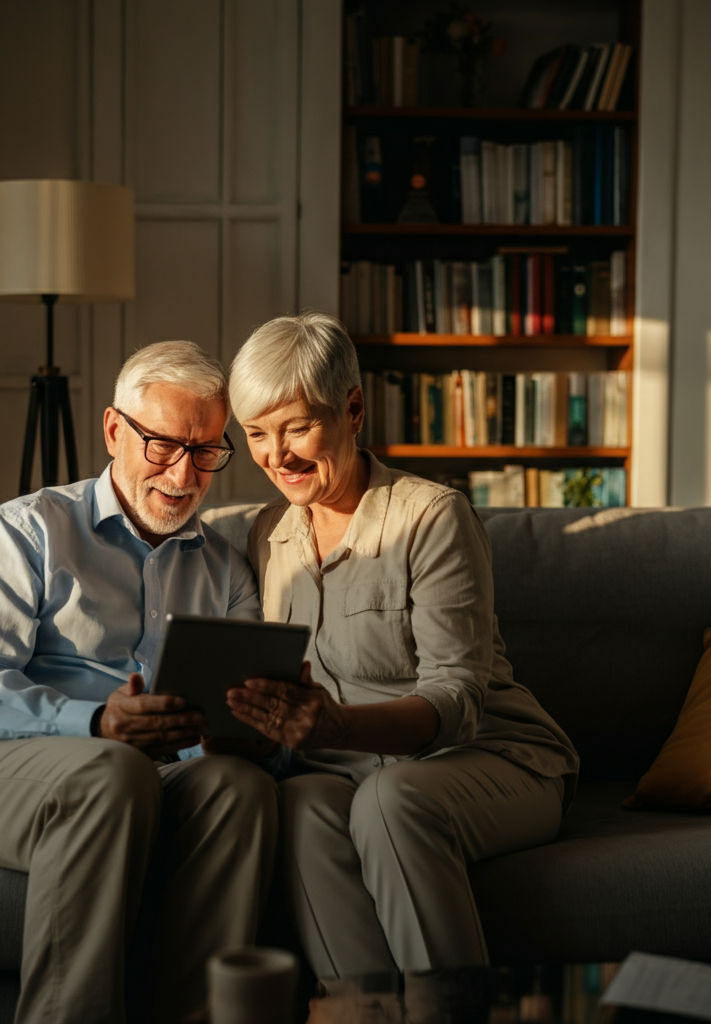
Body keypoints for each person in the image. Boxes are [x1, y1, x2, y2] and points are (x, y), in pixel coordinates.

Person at [0, 341, 279, 1024]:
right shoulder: (29, 530)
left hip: (147, 774)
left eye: (206, 452)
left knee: (241, 788)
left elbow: (230, 723)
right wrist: (96, 723)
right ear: (114, 430)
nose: (184, 474)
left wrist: (240, 737)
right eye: (163, 446)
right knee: (113, 770)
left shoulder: (225, 570)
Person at [225, 312, 579, 980]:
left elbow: (459, 698)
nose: (278, 456)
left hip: (491, 756)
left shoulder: (431, 516)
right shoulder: (266, 534)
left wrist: (338, 724)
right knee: (298, 805)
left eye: (297, 427)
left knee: (393, 803)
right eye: (256, 434)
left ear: (353, 408)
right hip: (350, 771)